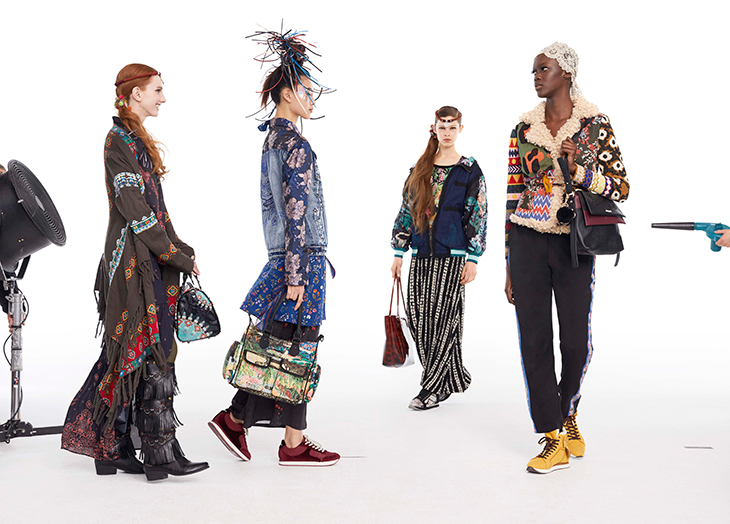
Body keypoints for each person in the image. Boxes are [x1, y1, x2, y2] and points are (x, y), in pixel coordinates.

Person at [61, 64, 208, 481]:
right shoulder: (118, 141)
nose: (163, 97)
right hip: (131, 263)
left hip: (145, 259)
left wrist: (180, 249)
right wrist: (174, 254)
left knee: (142, 350)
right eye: (157, 90)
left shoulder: (135, 139)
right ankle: (151, 453)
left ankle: (116, 448)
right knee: (141, 349)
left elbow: (157, 210)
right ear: (136, 94)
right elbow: (135, 211)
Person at [208, 30, 339, 467]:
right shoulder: (294, 144)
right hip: (301, 260)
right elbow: (296, 213)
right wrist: (298, 274)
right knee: (294, 346)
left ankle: (279, 435)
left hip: (287, 257)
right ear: (287, 93)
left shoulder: (271, 141)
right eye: (306, 91)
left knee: (284, 344)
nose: (312, 99)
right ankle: (245, 423)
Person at [504, 43, 629, 474]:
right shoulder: (523, 128)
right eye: (534, 71)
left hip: (574, 243)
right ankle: (552, 435)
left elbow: (621, 187)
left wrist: (580, 173)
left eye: (544, 69)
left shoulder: (595, 125)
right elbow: (513, 193)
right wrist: (508, 260)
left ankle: (567, 409)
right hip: (526, 240)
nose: (536, 76)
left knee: (576, 343)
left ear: (567, 73)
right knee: (533, 341)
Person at [391, 106, 487, 410]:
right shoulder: (420, 169)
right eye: (442, 126)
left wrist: (473, 258)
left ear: (460, 129)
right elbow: (406, 211)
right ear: (434, 129)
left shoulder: (469, 170)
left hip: (453, 257)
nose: (447, 132)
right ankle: (452, 377)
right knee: (420, 322)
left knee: (444, 322)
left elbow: (478, 213)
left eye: (452, 126)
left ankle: (430, 388)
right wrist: (398, 252)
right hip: (421, 255)